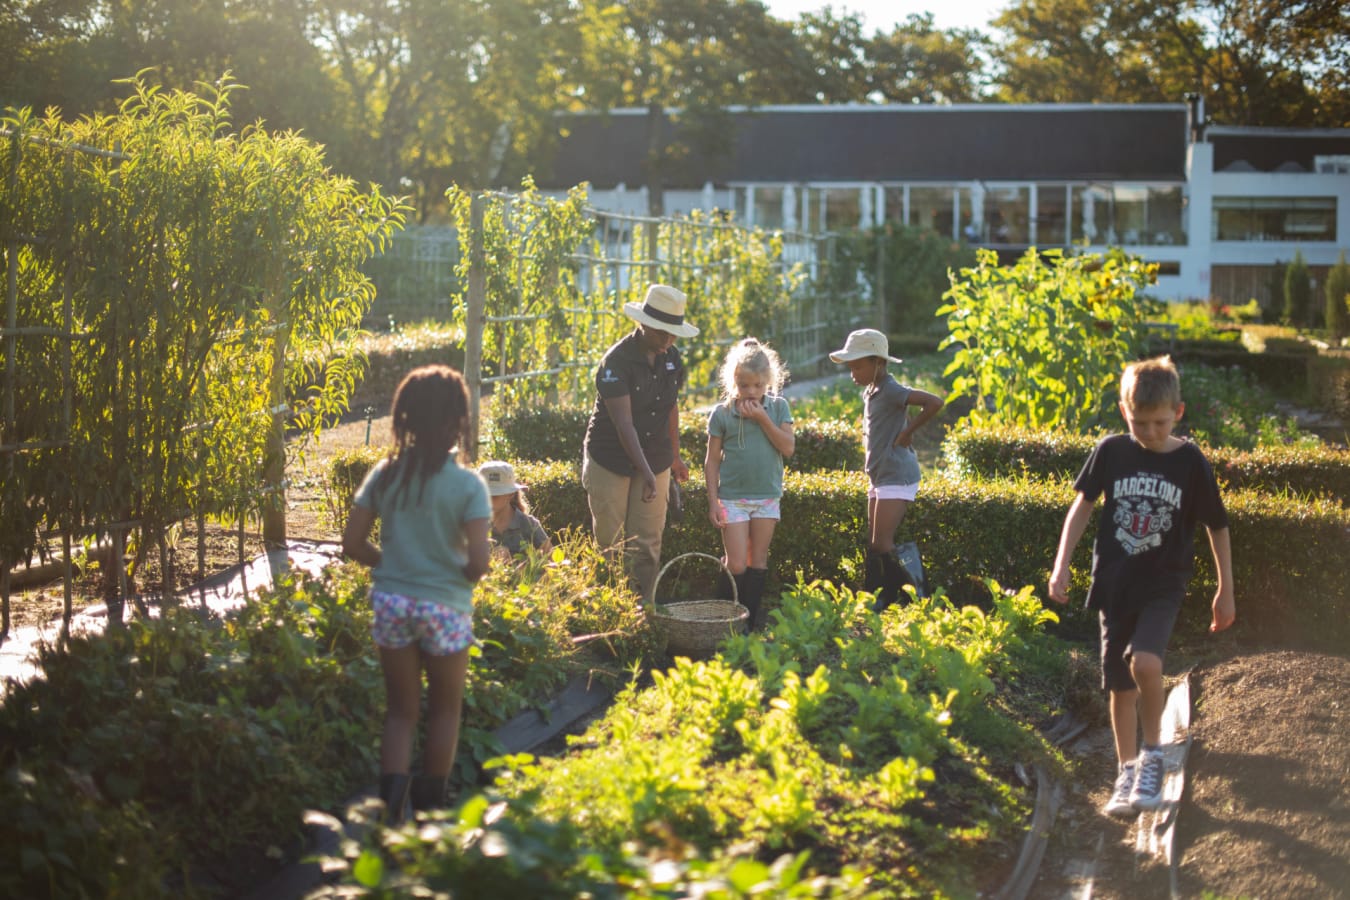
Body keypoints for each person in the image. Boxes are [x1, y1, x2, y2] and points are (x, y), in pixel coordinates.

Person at [1048, 356, 1235, 817]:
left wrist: (1225, 589)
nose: (1149, 432)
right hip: (1113, 584)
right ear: (1123, 410)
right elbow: (1082, 507)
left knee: (1147, 663)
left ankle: (1153, 755)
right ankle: (1126, 770)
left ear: (1178, 412)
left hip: (1162, 585)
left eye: (1158, 422)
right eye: (1138, 422)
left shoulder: (1191, 461)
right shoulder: (1111, 450)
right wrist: (1061, 564)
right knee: (1119, 684)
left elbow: (1217, 525)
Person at [342, 365, 491, 824]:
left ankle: (388, 818)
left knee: (401, 712)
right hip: (444, 605)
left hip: (391, 602)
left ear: (405, 418)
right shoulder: (468, 485)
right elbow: (480, 562)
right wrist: (458, 572)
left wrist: (391, 565)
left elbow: (351, 544)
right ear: (458, 422)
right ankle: (428, 817)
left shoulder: (385, 474)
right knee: (445, 710)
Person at [582, 283, 697, 604]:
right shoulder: (614, 363)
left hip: (656, 455)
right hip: (611, 457)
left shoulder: (672, 359)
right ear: (643, 323)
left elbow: (670, 408)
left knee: (647, 543)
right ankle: (610, 610)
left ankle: (644, 614)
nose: (669, 340)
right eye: (662, 332)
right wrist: (646, 473)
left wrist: (674, 458)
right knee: (611, 543)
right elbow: (624, 424)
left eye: (674, 333)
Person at [829, 328, 943, 611]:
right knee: (874, 542)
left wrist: (908, 432)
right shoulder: (872, 391)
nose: (852, 372)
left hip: (897, 474)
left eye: (857, 366)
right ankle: (877, 595)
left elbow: (934, 402)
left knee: (882, 541)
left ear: (877, 363)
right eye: (850, 366)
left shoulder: (891, 389)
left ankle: (916, 596)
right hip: (880, 475)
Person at [705, 338, 795, 630]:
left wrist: (762, 418)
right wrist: (713, 502)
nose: (751, 392)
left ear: (768, 382)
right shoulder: (722, 414)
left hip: (767, 497)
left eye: (757, 386)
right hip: (732, 500)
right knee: (737, 563)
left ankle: (748, 627)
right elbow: (712, 461)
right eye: (744, 385)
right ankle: (721, 620)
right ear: (734, 382)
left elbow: (788, 448)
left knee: (758, 561)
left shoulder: (779, 408)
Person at [478, 459, 552, 560]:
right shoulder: (474, 525)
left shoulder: (529, 525)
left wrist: (516, 564)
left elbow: (553, 565)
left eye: (494, 495)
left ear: (510, 494)